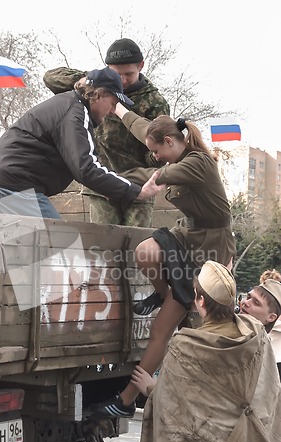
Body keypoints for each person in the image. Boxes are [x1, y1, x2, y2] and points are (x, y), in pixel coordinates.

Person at [89, 107, 235, 418]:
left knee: (161, 329)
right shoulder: (170, 143)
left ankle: (126, 400)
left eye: (156, 151)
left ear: (169, 142)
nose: (154, 156)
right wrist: (118, 108)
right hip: (189, 233)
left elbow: (156, 176)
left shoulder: (197, 163)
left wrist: (94, 173)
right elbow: (143, 127)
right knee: (146, 252)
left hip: (210, 248)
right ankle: (164, 293)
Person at [136, 260, 281, 442]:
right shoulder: (258, 339)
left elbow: (173, 403)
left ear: (200, 301)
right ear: (233, 301)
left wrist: (150, 388)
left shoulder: (186, 346)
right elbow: (269, 393)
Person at [0, 67, 160, 219]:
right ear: (99, 95)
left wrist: (108, 188)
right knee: (58, 245)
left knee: (21, 244)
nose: (112, 111)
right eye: (113, 103)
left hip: (2, 182)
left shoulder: (70, 104)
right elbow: (86, 169)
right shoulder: (75, 113)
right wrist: (137, 192)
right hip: (15, 187)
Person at [43, 38, 170, 227]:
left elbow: (155, 152)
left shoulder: (154, 102)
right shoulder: (96, 88)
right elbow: (50, 77)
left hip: (138, 183)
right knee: (104, 244)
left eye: (129, 74)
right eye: (117, 75)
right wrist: (92, 79)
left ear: (141, 66)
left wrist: (158, 156)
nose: (123, 81)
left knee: (136, 245)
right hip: (102, 183)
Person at [241, 271, 281, 380]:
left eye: (256, 303)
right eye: (248, 297)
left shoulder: (269, 361)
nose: (246, 302)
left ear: (271, 317)